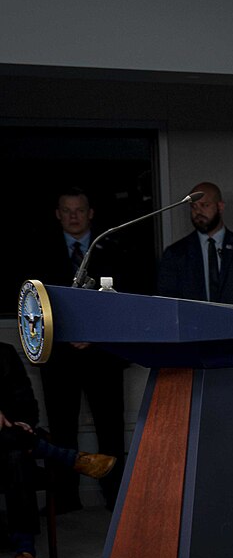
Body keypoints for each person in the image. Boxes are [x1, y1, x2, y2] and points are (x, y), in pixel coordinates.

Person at [155, 182, 233, 515]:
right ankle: (199, 497)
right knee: (194, 422)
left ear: (221, 206)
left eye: (205, 205)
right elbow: (167, 306)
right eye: (194, 206)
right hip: (191, 355)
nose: (199, 211)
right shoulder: (175, 254)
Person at [38, 188, 126, 514]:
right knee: (62, 431)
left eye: (79, 210)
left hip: (103, 355)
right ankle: (65, 500)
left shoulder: (114, 247)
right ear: (58, 214)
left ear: (91, 213)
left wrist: (95, 334)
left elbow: (126, 302)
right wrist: (69, 334)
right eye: (67, 210)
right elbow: (35, 303)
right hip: (59, 357)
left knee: (111, 430)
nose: (74, 216)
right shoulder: (41, 251)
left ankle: (116, 497)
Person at [0, 344, 116, 558]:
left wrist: (20, 422)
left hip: (8, 446)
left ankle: (25, 553)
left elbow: (26, 405)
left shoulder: (4, 354)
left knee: (17, 455)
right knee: (19, 447)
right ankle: (72, 458)